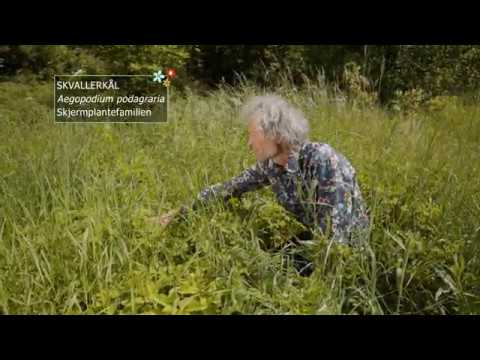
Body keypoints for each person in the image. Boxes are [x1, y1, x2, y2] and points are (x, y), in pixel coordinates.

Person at [154, 94, 370, 274]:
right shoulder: (271, 165)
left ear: (275, 134)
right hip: (314, 240)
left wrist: (318, 285)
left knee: (270, 273)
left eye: (253, 135)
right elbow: (228, 188)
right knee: (260, 266)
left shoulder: (321, 159)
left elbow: (335, 237)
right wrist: (177, 214)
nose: (249, 143)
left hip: (345, 253)